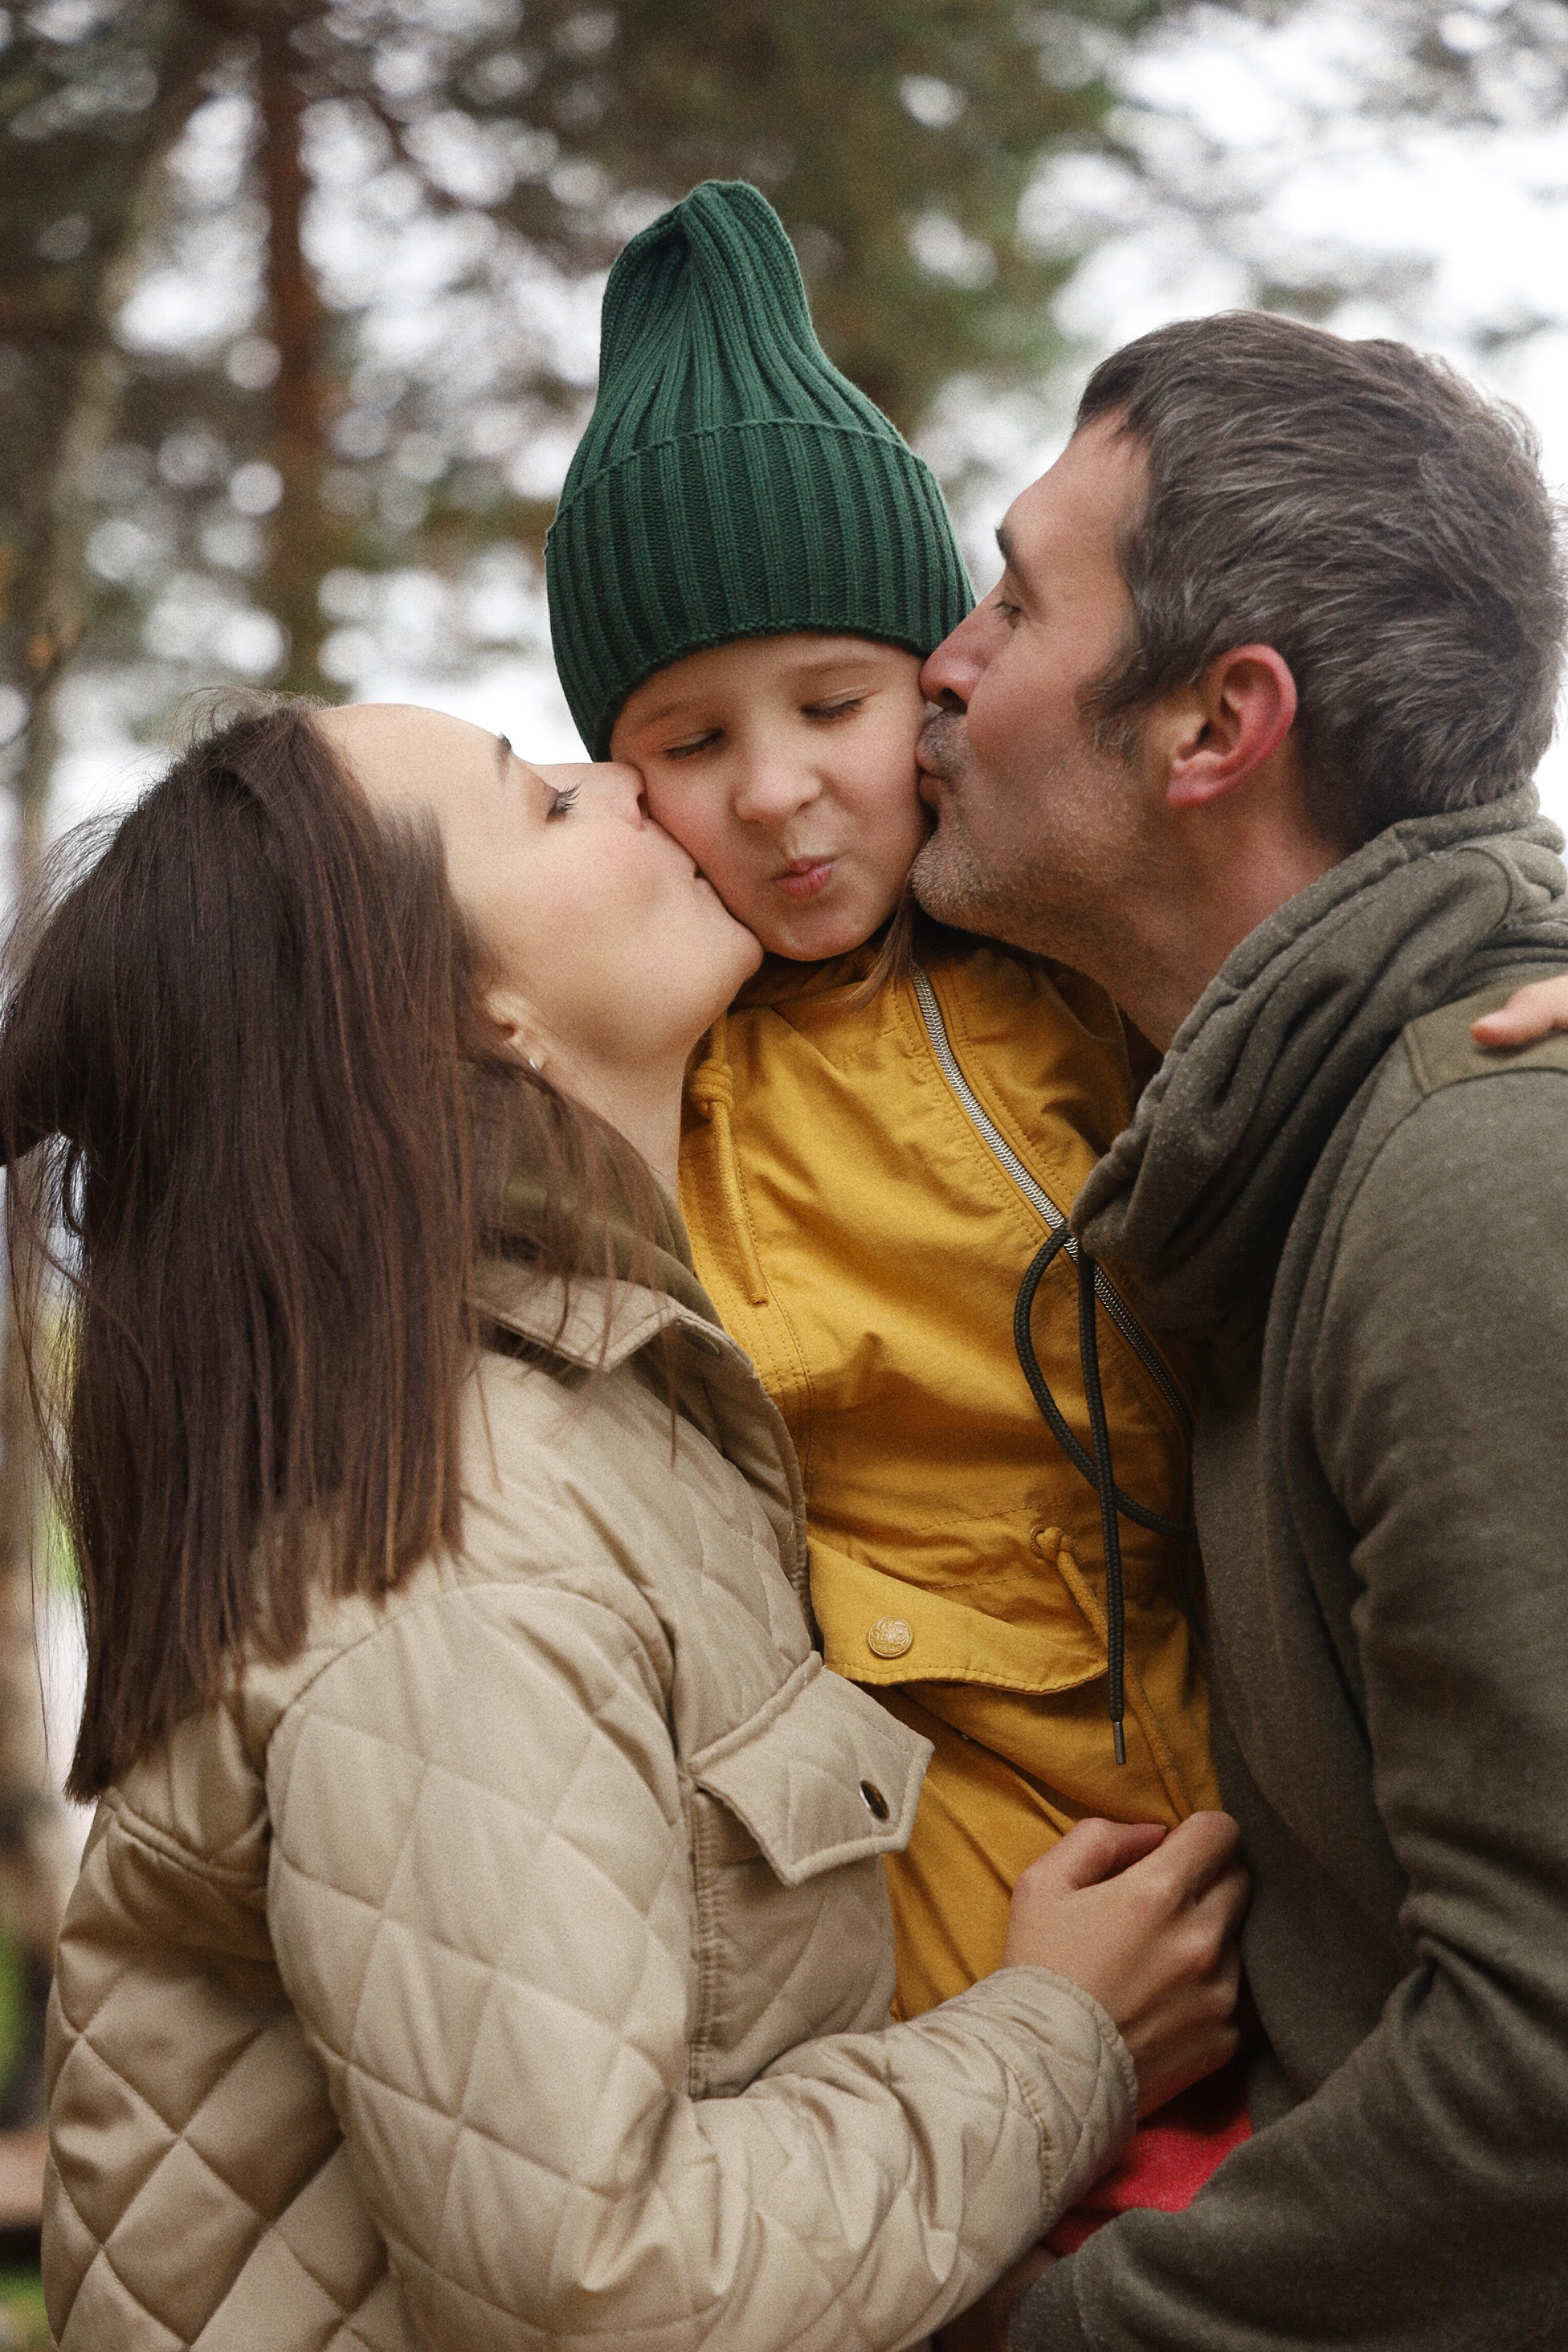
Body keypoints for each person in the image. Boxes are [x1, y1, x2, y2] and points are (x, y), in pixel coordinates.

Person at [23, 698, 1246, 2351]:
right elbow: (608, 2294)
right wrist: (1063, 2037)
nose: (623, 785)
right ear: (473, 1015)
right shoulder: (454, 1559)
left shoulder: (613, 1407)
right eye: (539, 802)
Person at [544, 179, 1246, 2241]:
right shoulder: (666, 1061)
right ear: (618, 775)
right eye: (689, 737)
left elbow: (1329, 985)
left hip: (1237, 1816)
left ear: (936, 684)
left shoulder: (1067, 957)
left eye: (830, 705)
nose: (774, 792)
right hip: (932, 1921)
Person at [911, 313, 1568, 2350]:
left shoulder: (1475, 1172)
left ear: (1215, 727)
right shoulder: (1277, 1151)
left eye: (1014, 597)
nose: (942, 661)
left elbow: (1548, 2076)